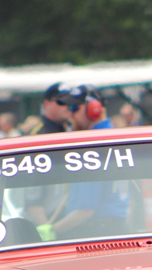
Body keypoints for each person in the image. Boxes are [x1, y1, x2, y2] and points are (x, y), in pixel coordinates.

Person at [44, 84, 127, 239]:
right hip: (112, 228)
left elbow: (84, 211)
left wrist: (51, 231)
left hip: (93, 231)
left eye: (75, 108)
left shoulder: (91, 146)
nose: (70, 114)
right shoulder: (113, 136)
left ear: (93, 109)